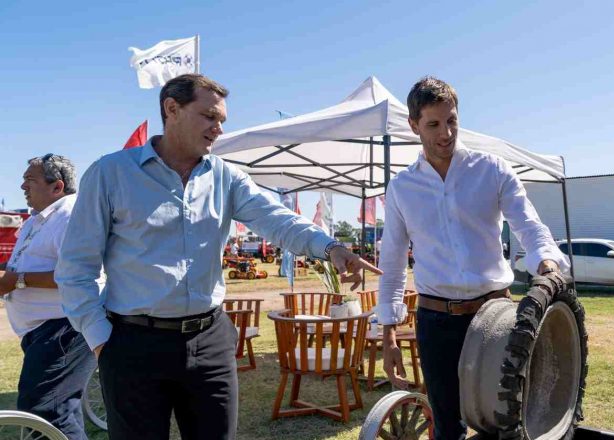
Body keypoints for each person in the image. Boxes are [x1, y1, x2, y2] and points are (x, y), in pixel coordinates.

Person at [55, 74, 380, 440]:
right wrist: (102, 342)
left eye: (222, 120)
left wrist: (330, 247)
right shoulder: (110, 173)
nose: (219, 129)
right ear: (171, 109)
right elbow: (76, 268)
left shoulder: (227, 178)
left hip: (210, 341)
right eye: (210, 117)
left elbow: (277, 219)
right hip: (133, 345)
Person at [377, 76, 570, 439]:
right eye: (433, 124)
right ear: (413, 125)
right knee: (447, 427)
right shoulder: (402, 188)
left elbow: (530, 225)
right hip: (435, 321)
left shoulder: (492, 169)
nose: (445, 133)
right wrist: (388, 334)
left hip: (495, 318)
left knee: (506, 424)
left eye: (451, 121)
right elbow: (392, 264)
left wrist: (546, 261)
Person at [0, 154, 96, 440]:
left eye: (30, 180)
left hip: (65, 329)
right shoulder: (37, 220)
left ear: (57, 186)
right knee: (56, 411)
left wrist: (15, 281)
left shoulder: (69, 217)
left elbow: (83, 275)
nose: (22, 187)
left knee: (46, 414)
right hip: (47, 332)